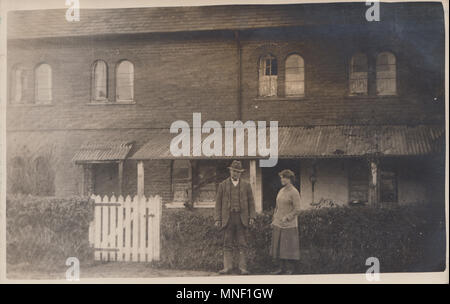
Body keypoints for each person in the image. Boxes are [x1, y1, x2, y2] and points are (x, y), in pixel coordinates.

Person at [215, 160, 256, 275]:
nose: (235, 174)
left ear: (241, 173)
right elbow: (218, 203)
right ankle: (227, 267)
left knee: (242, 243)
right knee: (227, 243)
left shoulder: (246, 185)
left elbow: (251, 202)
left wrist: (252, 217)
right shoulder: (222, 185)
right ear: (230, 171)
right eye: (234, 171)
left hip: (241, 218)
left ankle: (242, 268)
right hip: (227, 218)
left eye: (238, 172)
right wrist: (217, 219)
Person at [270, 169, 302, 275]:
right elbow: (277, 207)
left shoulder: (294, 192)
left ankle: (289, 269)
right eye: (281, 177)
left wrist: (287, 217)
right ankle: (280, 268)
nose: (282, 180)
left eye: (284, 177)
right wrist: (274, 219)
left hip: (289, 225)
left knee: (288, 247)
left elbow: (298, 209)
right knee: (279, 246)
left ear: (290, 179)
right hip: (278, 223)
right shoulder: (281, 191)